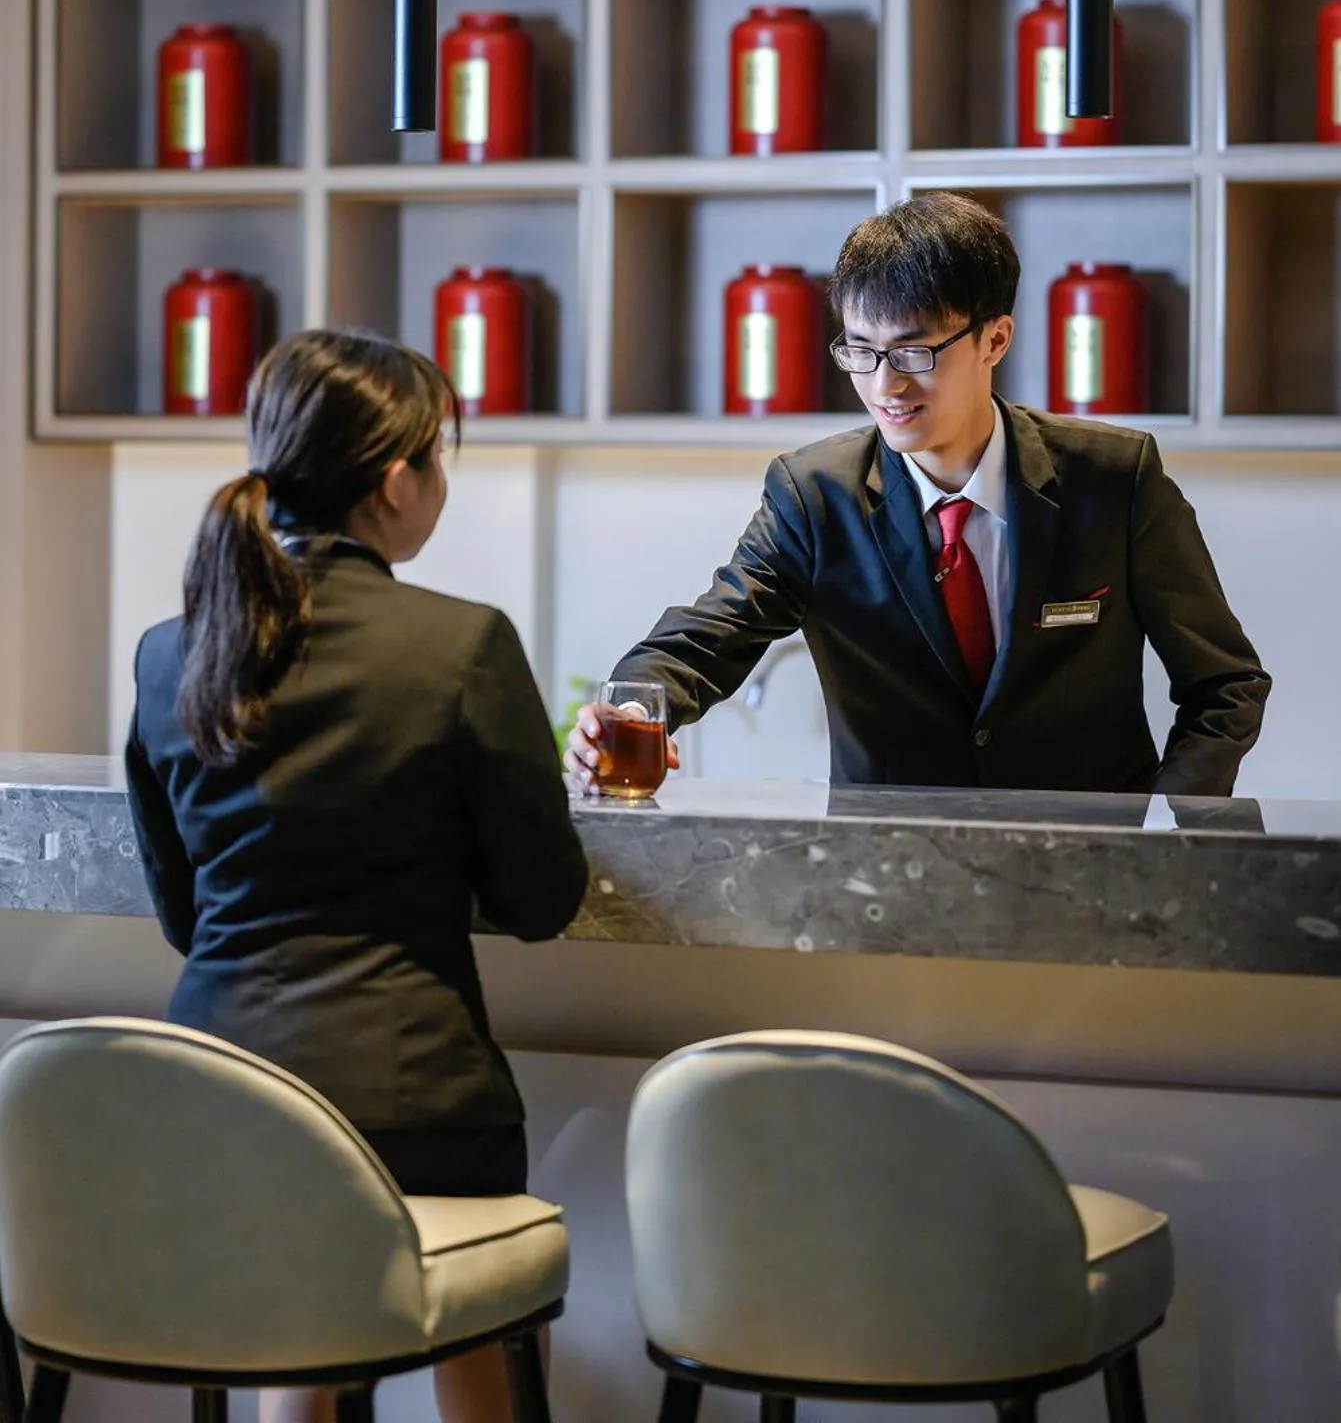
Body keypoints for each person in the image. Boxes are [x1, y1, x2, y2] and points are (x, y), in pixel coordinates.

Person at [126, 328, 587, 1423]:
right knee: (461, 1306)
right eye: (438, 460)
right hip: (413, 1104)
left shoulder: (168, 652)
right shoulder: (459, 645)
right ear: (394, 480)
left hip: (216, 1103)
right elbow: (542, 898)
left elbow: (186, 914)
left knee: (308, 1280)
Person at [567, 193, 1269, 798]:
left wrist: (1166, 828)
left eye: (913, 353)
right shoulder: (814, 497)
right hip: (888, 882)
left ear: (994, 339)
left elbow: (1225, 685)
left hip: (1093, 871)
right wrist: (629, 712)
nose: (884, 387)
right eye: (860, 351)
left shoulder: (1112, 478)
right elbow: (704, 640)